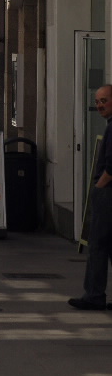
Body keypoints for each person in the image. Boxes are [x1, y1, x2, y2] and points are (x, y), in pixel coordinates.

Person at [69, 84, 112, 309]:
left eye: (104, 100)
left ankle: (94, 295)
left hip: (107, 194)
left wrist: (99, 187)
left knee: (97, 244)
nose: (99, 105)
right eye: (97, 102)